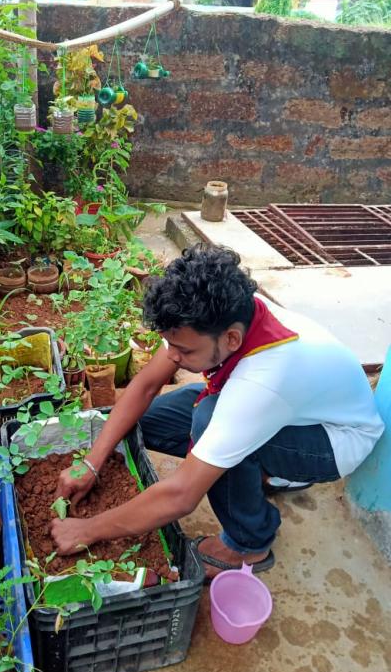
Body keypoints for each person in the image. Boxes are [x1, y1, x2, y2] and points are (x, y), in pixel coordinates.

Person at [50, 245, 384, 578]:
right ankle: (261, 475)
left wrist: (88, 529)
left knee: (208, 419)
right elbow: (146, 386)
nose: (173, 357)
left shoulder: (263, 379)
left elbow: (182, 496)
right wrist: (92, 463)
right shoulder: (212, 316)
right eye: (171, 344)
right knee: (145, 423)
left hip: (333, 440)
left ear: (232, 340)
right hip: (292, 412)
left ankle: (250, 543)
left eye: (184, 350)